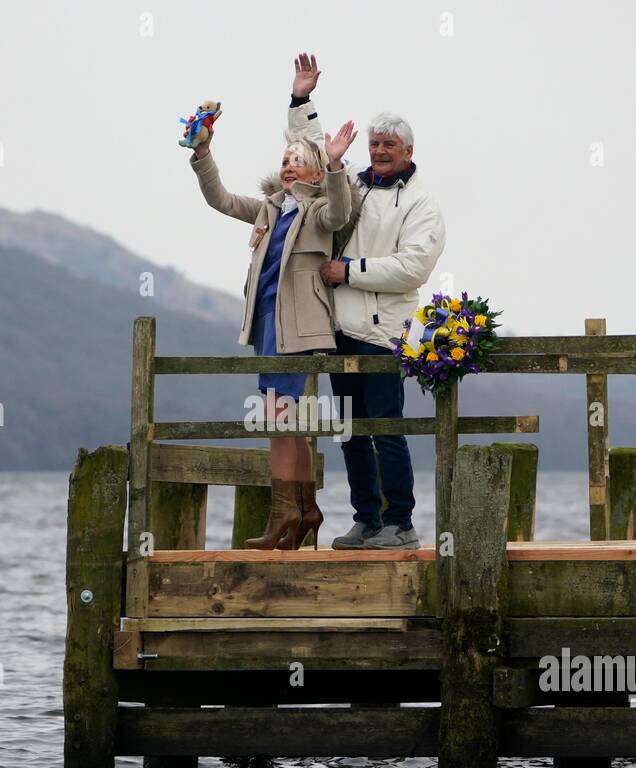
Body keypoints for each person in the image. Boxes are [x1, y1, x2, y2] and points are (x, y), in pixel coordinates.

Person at [286, 53, 447, 550]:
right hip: (339, 330)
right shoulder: (350, 182)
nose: (379, 151)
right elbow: (315, 149)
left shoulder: (423, 204)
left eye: (389, 145)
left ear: (409, 150)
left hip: (383, 333)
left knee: (388, 430)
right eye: (375, 144)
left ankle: (401, 522)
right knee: (351, 431)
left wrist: (348, 271)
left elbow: (412, 268)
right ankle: (367, 519)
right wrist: (301, 98)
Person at [189, 110, 357, 549]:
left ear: (315, 172)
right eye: (284, 159)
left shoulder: (318, 207)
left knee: (276, 418)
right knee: (290, 422)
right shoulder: (269, 208)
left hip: (299, 325)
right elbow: (220, 200)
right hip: (268, 323)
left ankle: (284, 514)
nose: (287, 165)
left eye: (297, 160)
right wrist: (203, 154)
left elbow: (340, 214)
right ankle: (303, 509)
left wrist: (336, 166)